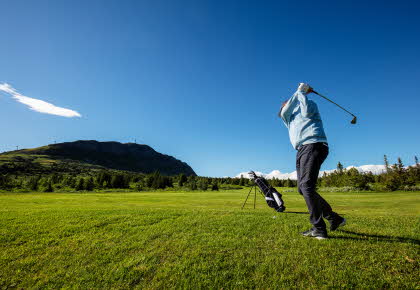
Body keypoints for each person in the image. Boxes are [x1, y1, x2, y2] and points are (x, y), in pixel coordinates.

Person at [279, 83, 346, 240]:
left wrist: (301, 93)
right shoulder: (287, 117)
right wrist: (299, 91)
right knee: (303, 189)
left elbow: (307, 112)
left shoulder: (309, 104)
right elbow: (285, 110)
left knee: (306, 186)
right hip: (302, 149)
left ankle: (319, 229)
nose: (285, 104)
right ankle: (334, 218)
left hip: (314, 144)